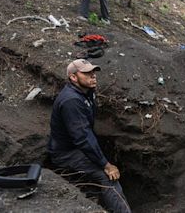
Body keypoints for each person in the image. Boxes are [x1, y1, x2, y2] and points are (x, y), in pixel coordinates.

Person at [48, 59, 131, 213]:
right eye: (86, 73)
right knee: (107, 177)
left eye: (93, 72)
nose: (93, 76)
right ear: (73, 77)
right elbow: (83, 137)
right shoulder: (71, 100)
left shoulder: (86, 91)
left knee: (102, 154)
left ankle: (100, 198)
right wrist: (106, 165)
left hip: (75, 146)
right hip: (66, 153)